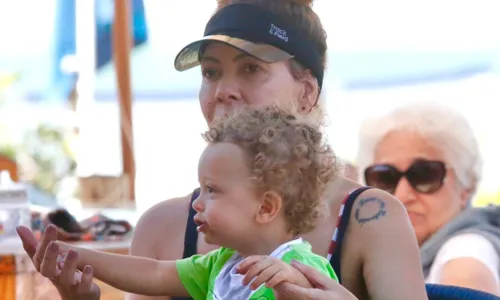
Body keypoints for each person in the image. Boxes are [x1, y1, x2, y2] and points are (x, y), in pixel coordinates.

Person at [17, 1, 428, 300]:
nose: (223, 90)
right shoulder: (164, 226)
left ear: (307, 91)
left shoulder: (369, 217)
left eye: (251, 68)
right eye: (211, 72)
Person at [27, 106, 340, 299]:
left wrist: (293, 282)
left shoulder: (302, 267)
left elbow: (313, 293)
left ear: (266, 207)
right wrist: (76, 255)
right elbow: (154, 273)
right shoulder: (222, 265)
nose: (196, 203)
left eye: (212, 190)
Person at [356, 101, 500, 295]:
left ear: (467, 185)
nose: (402, 195)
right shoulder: (403, 260)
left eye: (424, 174)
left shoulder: (465, 251)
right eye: (384, 177)